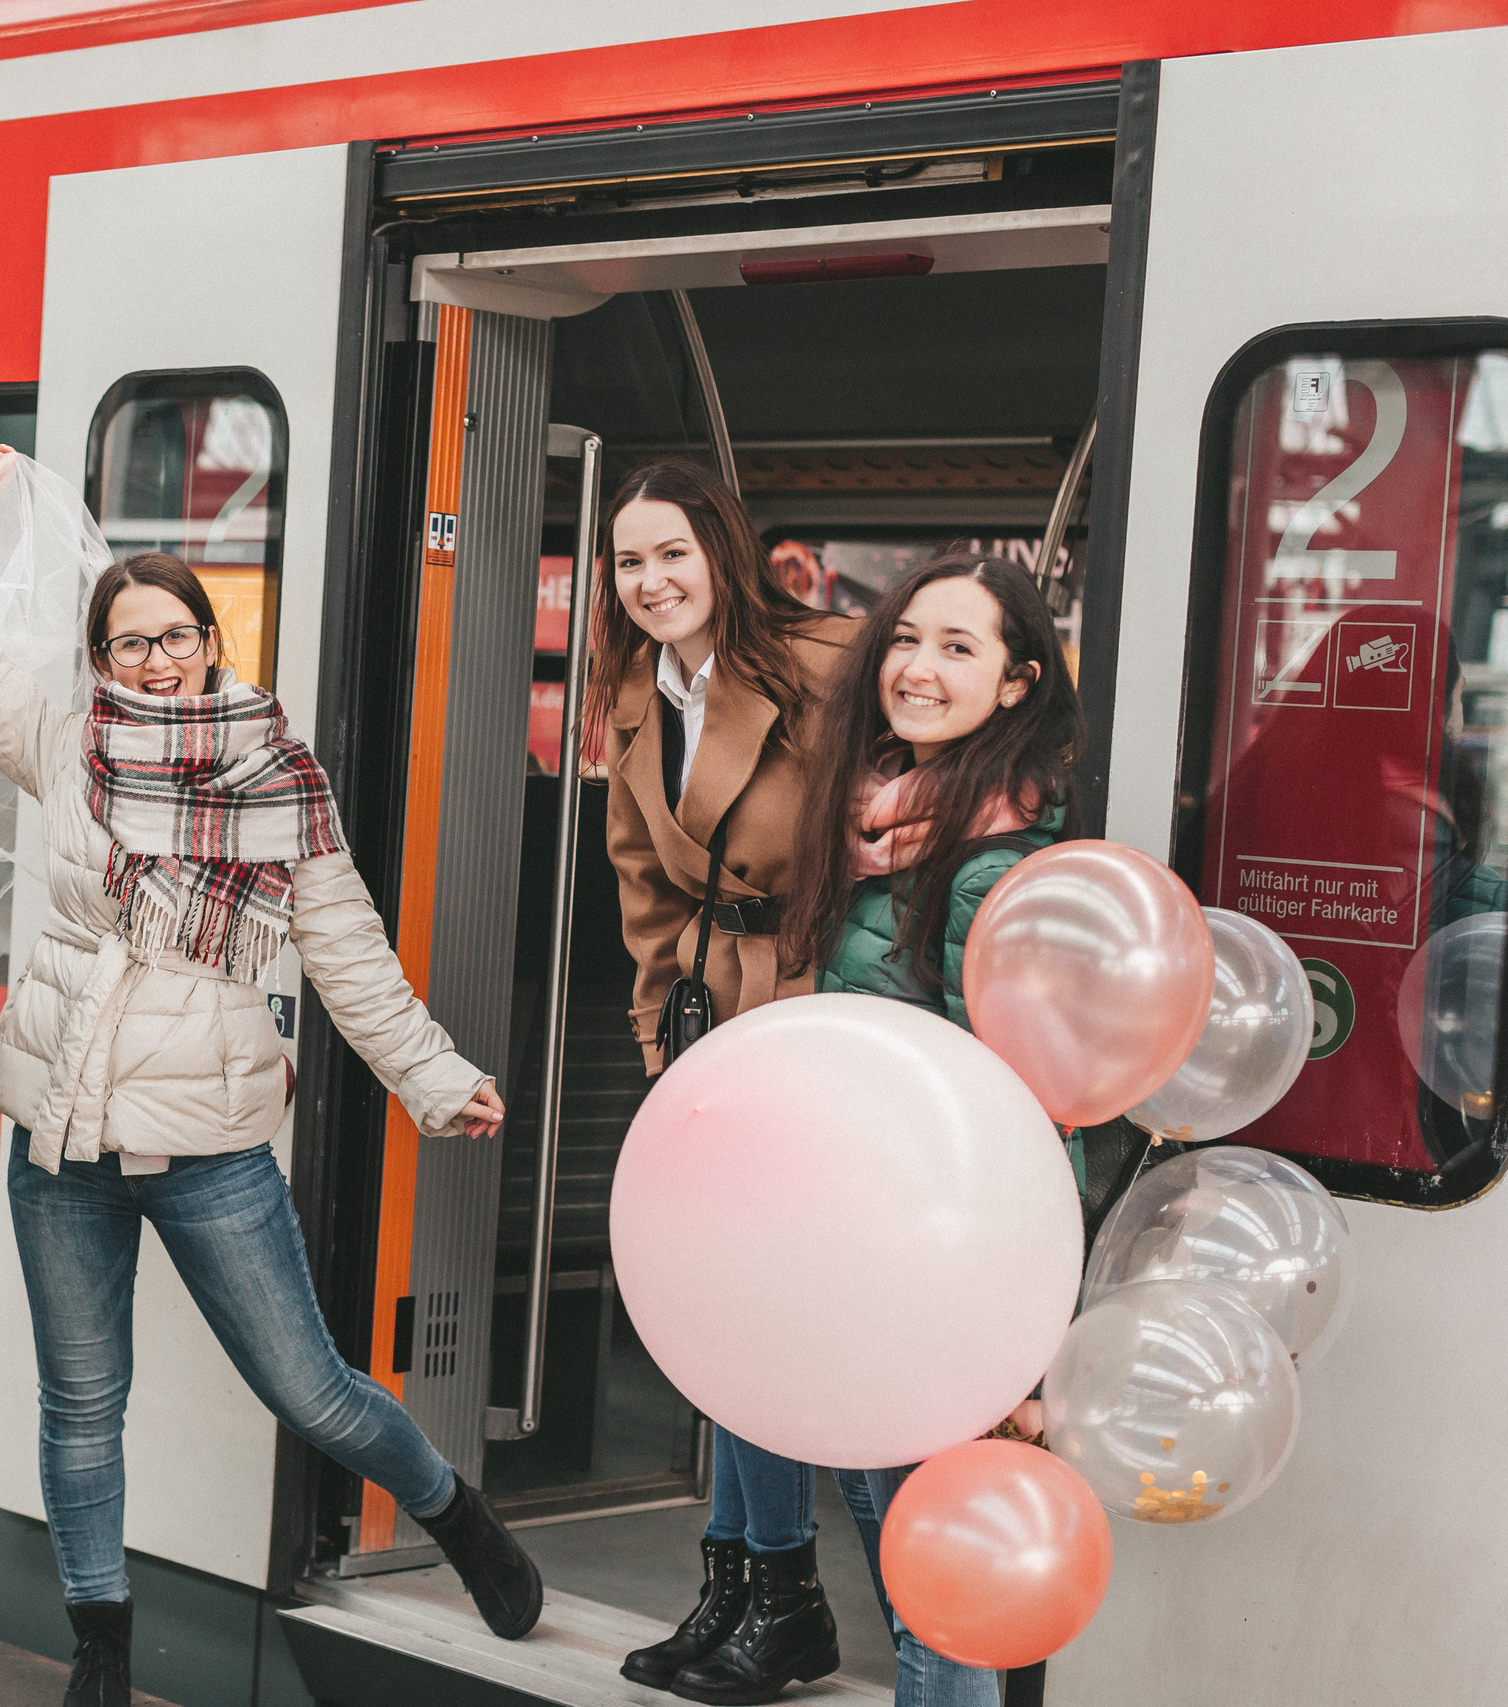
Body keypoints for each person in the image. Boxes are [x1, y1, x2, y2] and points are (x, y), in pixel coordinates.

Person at [0, 450, 536, 1707]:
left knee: (312, 1391)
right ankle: (102, 1648)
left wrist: (430, 1075)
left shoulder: (274, 776)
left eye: (173, 637)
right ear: (96, 657)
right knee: (81, 1411)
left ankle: (453, 1512)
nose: (152, 662)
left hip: (209, 1150)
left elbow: (348, 952)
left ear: (209, 639)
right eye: (125, 644)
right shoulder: (63, 742)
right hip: (61, 1142)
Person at [777, 551, 1085, 1707]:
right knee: (917, 1579)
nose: (915, 666)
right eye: (905, 639)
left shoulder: (987, 866)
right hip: (868, 1257)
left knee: (932, 1602)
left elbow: (1024, 1114)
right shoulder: (878, 817)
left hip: (939, 1286)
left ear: (1016, 684)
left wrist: (1026, 1342)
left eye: (958, 648)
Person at [581, 460, 857, 1702]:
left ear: (722, 554)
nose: (650, 583)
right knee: (726, 1315)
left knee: (795, 1320)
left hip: (818, 1005)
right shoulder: (634, 696)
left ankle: (788, 1590)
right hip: (707, 1024)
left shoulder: (823, 661)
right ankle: (747, 1581)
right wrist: (661, 1057)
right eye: (629, 562)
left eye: (672, 555)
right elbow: (644, 896)